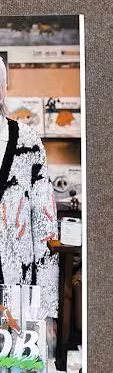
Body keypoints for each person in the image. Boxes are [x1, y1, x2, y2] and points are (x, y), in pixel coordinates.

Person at [0, 57, 59, 332]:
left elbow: (45, 226)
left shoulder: (28, 142)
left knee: (14, 356)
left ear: (4, 89)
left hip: (17, 285)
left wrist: (47, 308)